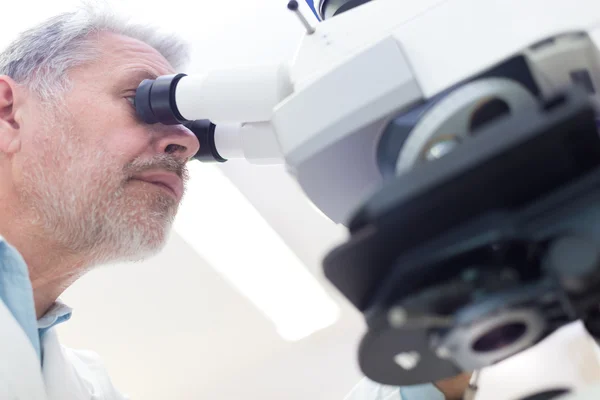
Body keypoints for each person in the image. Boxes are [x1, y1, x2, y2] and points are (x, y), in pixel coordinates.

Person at [0, 3, 472, 400]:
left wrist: (435, 337)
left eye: (187, 124)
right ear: (8, 112)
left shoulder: (84, 386)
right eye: (140, 99)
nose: (184, 143)